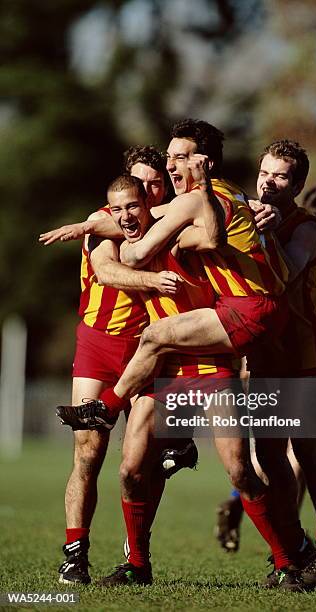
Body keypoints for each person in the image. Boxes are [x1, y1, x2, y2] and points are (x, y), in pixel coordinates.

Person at [53, 120, 315, 590]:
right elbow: (112, 266)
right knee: (132, 469)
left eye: (163, 174)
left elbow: (210, 236)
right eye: (146, 182)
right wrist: (98, 226)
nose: (158, 183)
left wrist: (232, 206)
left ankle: (288, 558)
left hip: (211, 353)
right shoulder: (127, 221)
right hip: (167, 367)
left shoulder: (184, 216)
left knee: (239, 467)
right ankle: (137, 565)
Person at [50, 146, 197, 586]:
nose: (147, 193)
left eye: (154, 184)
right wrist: (153, 279)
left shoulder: (166, 222)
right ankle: (75, 553)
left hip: (149, 352)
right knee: (88, 451)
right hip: (97, 343)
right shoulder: (107, 220)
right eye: (138, 184)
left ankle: (137, 558)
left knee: (139, 465)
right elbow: (108, 272)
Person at [216, 143, 316, 590]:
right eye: (263, 172)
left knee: (307, 451)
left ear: (298, 186)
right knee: (269, 453)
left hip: (307, 356)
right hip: (267, 356)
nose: (267, 182)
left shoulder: (306, 227)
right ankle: (292, 553)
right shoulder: (246, 216)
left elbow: (285, 274)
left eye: (280, 177)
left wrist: (263, 233)